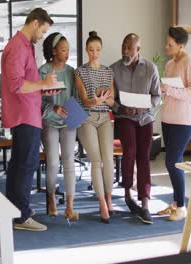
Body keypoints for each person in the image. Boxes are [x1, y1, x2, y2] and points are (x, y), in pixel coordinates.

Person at [1, 8, 60, 232]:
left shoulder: (25, 46)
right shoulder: (17, 47)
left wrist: (43, 90)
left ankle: (15, 209)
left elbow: (26, 83)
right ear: (35, 23)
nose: (42, 36)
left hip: (28, 111)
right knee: (25, 164)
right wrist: (43, 85)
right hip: (24, 115)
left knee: (19, 164)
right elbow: (16, 84)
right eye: (43, 31)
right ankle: (22, 216)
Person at [111, 33, 161, 224]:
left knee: (144, 157)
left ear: (137, 50)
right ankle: (127, 194)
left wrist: (145, 106)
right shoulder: (114, 69)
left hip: (144, 118)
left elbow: (157, 96)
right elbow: (110, 99)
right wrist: (121, 108)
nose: (125, 51)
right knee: (130, 152)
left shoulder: (150, 68)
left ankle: (145, 202)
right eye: (123, 46)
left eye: (129, 48)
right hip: (125, 117)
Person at [157, 27, 191, 221]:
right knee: (173, 161)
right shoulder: (168, 64)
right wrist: (163, 90)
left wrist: (171, 90)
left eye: (170, 44)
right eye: (167, 43)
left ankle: (181, 207)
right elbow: (168, 90)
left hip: (183, 121)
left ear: (181, 45)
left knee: (173, 162)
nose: (167, 47)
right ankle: (175, 203)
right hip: (167, 118)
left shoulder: (189, 62)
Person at [75, 31, 115, 224]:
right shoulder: (80, 71)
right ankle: (101, 202)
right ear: (86, 50)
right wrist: (95, 99)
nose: (94, 53)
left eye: (98, 49)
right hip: (87, 118)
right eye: (91, 50)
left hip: (105, 118)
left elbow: (113, 101)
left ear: (101, 50)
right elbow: (84, 100)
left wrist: (106, 99)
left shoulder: (108, 72)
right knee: (96, 160)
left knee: (109, 159)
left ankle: (109, 196)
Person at [39, 32, 79, 221]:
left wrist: (75, 112)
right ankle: (51, 197)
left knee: (69, 161)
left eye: (68, 49)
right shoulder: (43, 71)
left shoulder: (72, 71)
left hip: (69, 121)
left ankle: (70, 206)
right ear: (54, 51)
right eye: (63, 50)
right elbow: (36, 101)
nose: (67, 53)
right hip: (49, 121)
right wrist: (53, 107)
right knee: (53, 162)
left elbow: (76, 97)